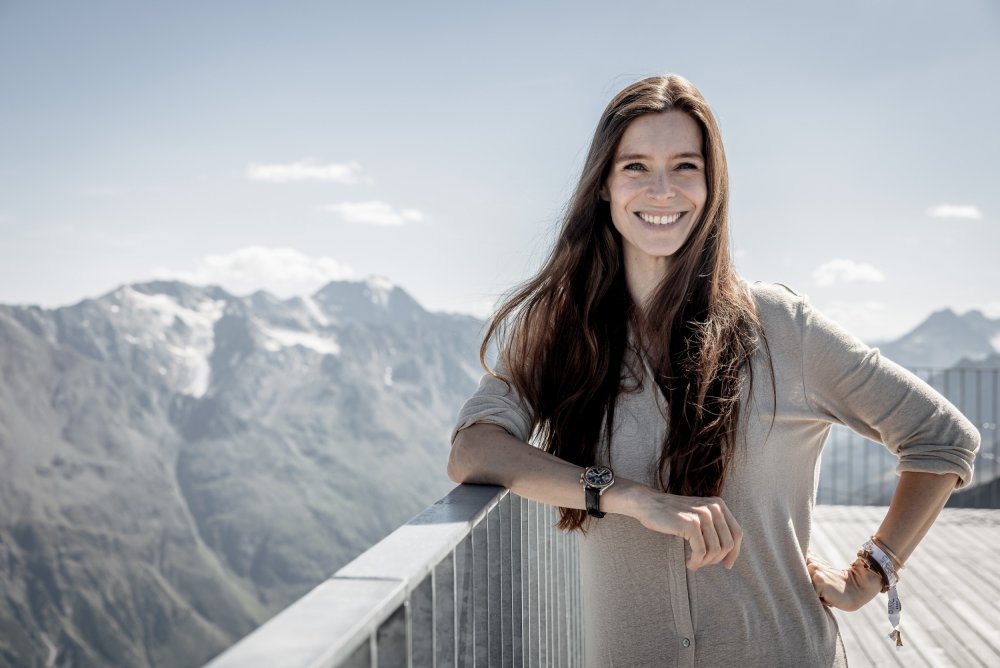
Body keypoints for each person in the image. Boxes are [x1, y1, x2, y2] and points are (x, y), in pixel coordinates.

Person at [446, 74, 980, 667]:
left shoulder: (782, 327)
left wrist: (872, 571)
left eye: (685, 166)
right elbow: (474, 449)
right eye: (636, 167)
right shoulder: (563, 332)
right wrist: (627, 497)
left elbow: (942, 439)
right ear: (603, 184)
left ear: (712, 184)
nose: (662, 190)